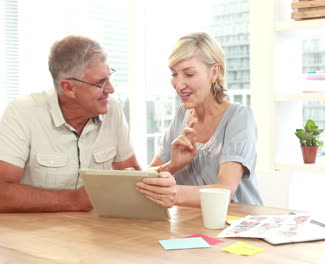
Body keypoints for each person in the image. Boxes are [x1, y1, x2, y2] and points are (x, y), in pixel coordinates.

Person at [0, 35, 176, 213]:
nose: (110, 90)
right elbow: (2, 193)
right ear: (69, 88)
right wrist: (74, 200)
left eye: (109, 77)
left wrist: (165, 173)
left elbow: (133, 177)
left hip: (94, 232)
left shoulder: (112, 109)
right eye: (100, 83)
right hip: (36, 235)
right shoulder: (22, 113)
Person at [136, 32, 263, 207]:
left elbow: (225, 190)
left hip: (238, 225)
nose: (179, 85)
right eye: (174, 74)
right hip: (192, 226)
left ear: (214, 72)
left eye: (188, 74)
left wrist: (174, 194)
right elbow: (146, 177)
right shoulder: (181, 115)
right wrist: (172, 165)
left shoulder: (239, 117)